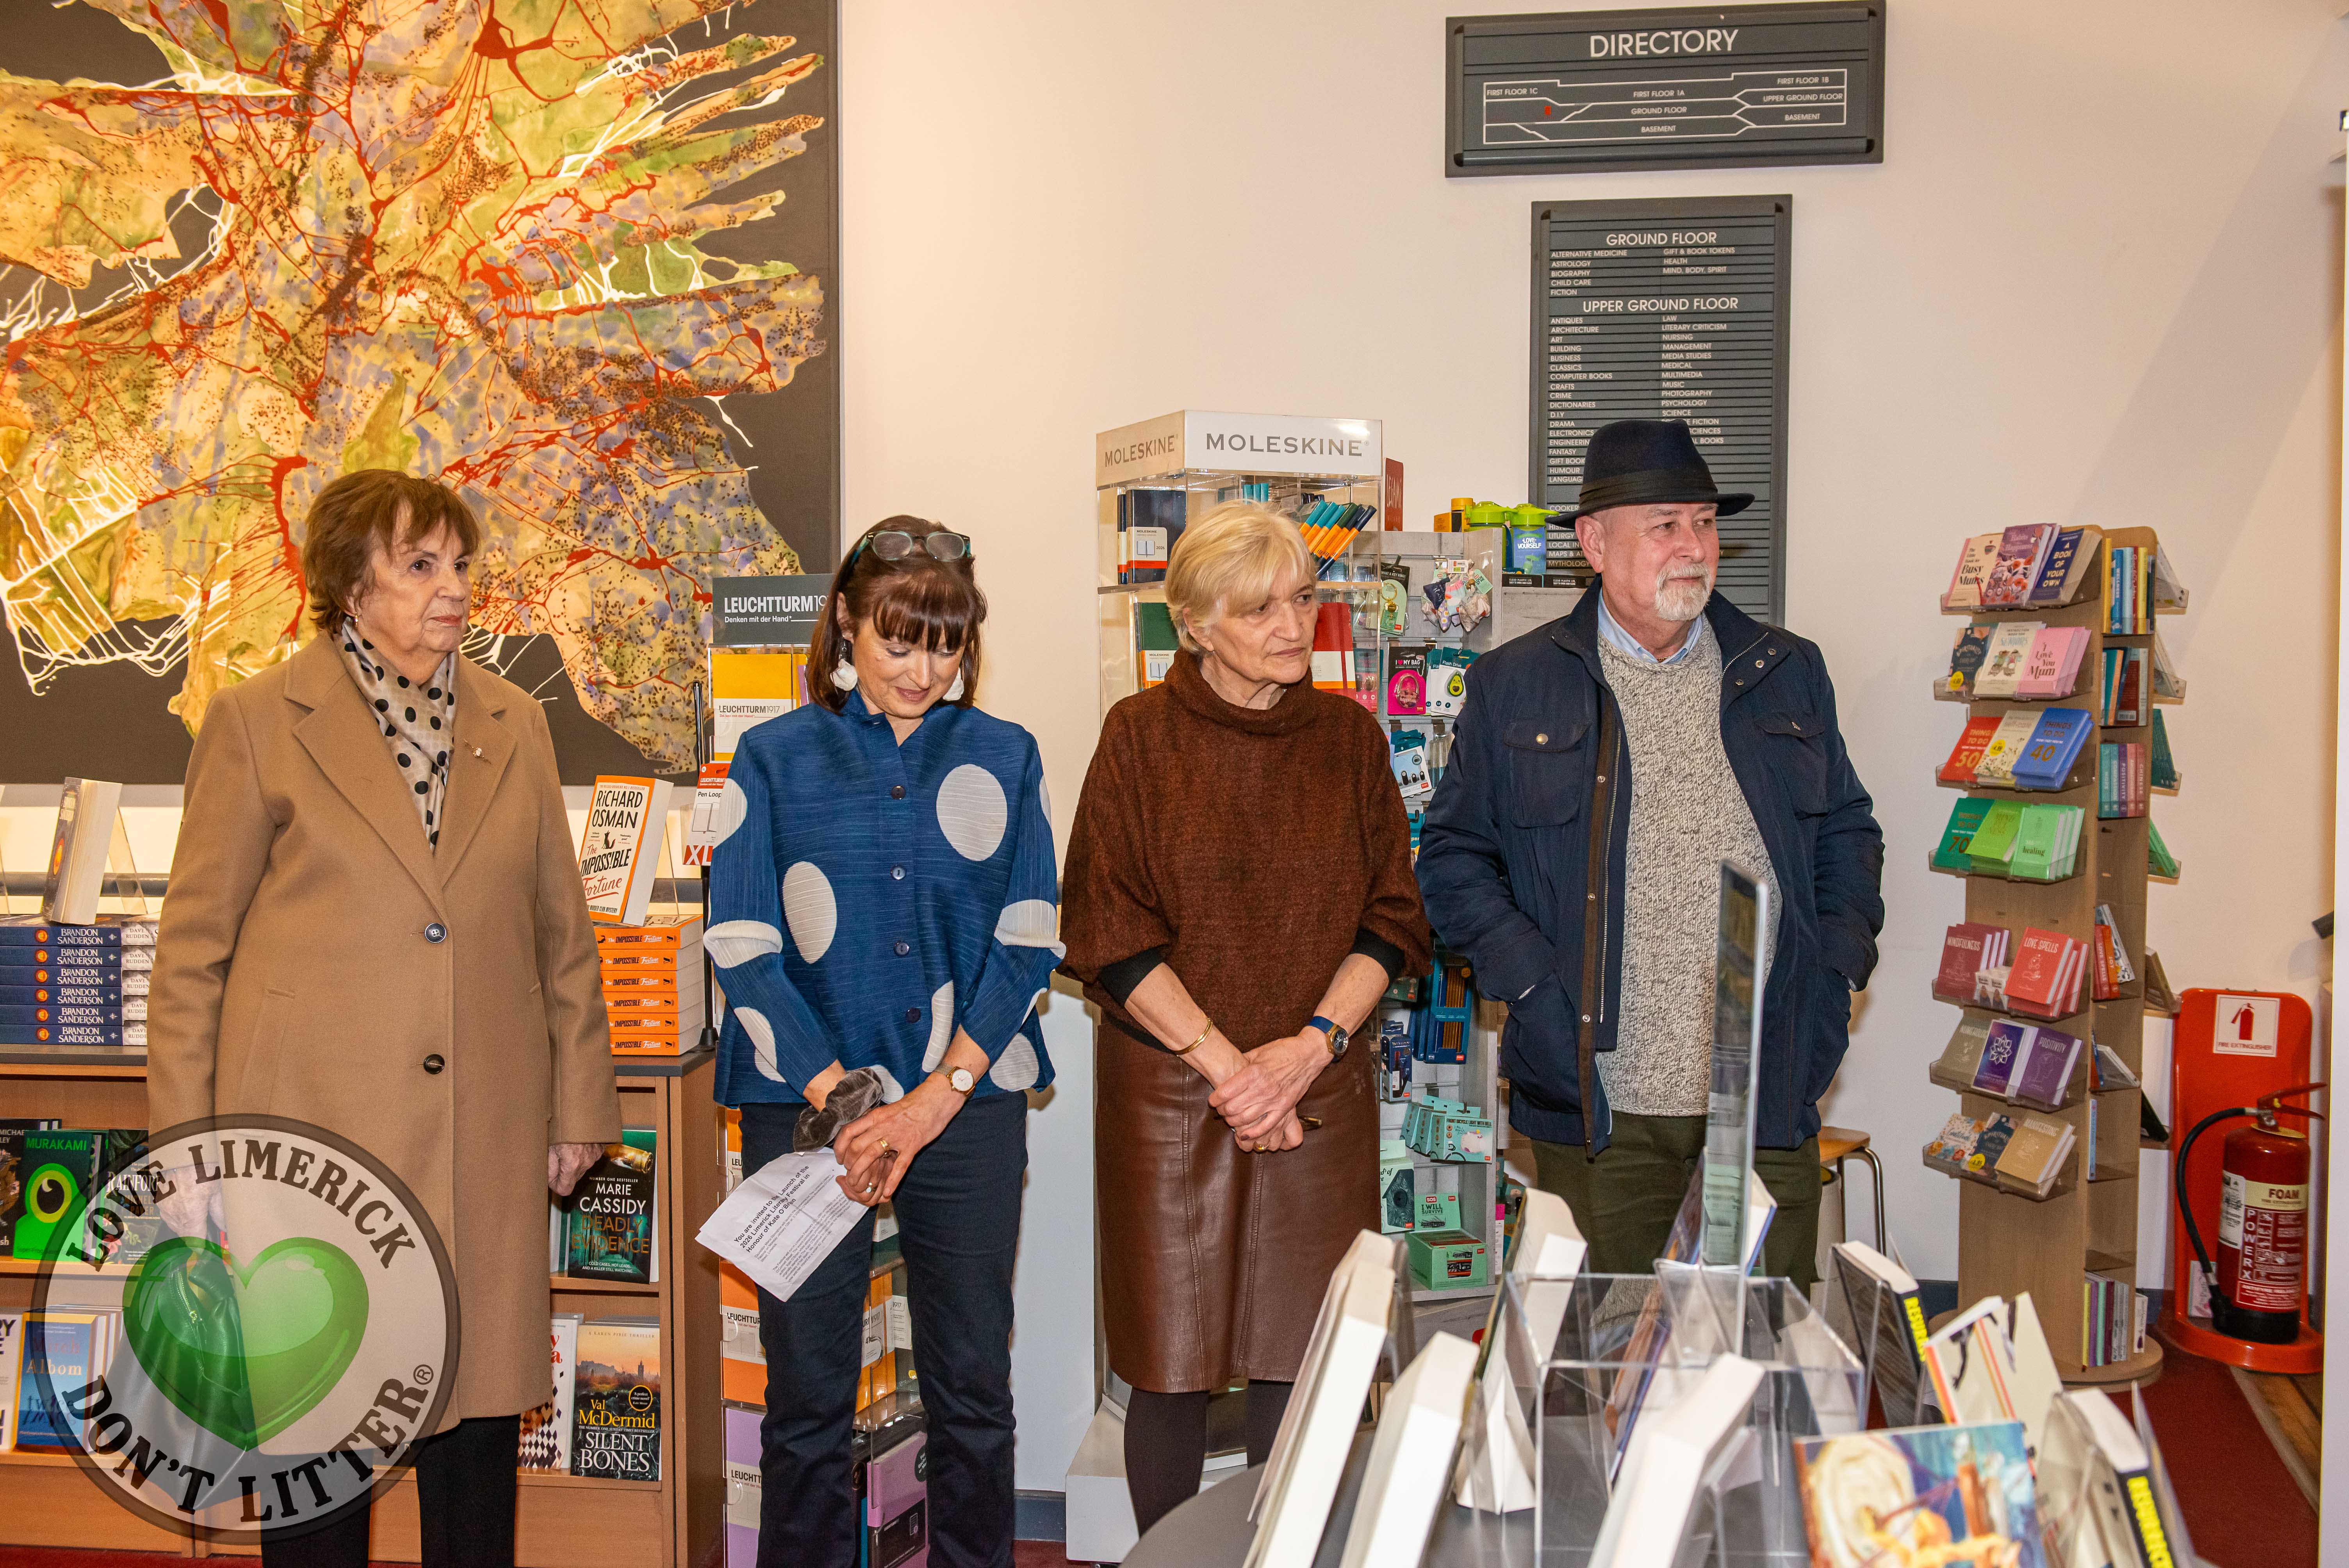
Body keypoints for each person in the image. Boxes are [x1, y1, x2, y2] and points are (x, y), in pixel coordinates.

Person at [149, 469, 622, 1567]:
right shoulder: (257, 723)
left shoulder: (517, 722)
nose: (453, 587)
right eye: (420, 565)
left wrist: (580, 1104)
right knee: (320, 1449)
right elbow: (191, 959)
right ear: (352, 584)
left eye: (460, 564)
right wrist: (186, 1150)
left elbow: (561, 932)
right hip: (314, 1156)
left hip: (482, 1147)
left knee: (476, 1450)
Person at [1415, 419, 1884, 1288]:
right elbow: (1452, 857)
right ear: (1595, 544)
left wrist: (1835, 968)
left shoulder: (1785, 669)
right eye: (1664, 525)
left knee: (1755, 1342)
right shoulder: (1515, 683)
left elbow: (1848, 833)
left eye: (1703, 523)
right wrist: (1530, 985)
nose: (1693, 548)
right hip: (1600, 1107)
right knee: (1607, 1344)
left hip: (1763, 1098)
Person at [1059, 501, 1431, 1538]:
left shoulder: (1350, 742)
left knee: (1299, 1353)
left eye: (1302, 598)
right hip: (1171, 1092)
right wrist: (1235, 1071)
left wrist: (1306, 1052)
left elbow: (1394, 919)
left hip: (1320, 1082)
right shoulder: (1138, 740)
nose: (1292, 624)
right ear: (1194, 624)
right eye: (1259, 607)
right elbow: (1106, 930)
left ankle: (1281, 1553)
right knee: (1168, 1359)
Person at [708, 517, 1060, 1568]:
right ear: (847, 626)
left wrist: (935, 1095)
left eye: (945, 646)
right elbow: (741, 943)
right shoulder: (773, 758)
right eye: (898, 642)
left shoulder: (1006, 755)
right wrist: (848, 1098)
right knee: (807, 1400)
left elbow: (1028, 940)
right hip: (807, 1109)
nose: (921, 670)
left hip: (967, 1106)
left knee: (972, 1389)